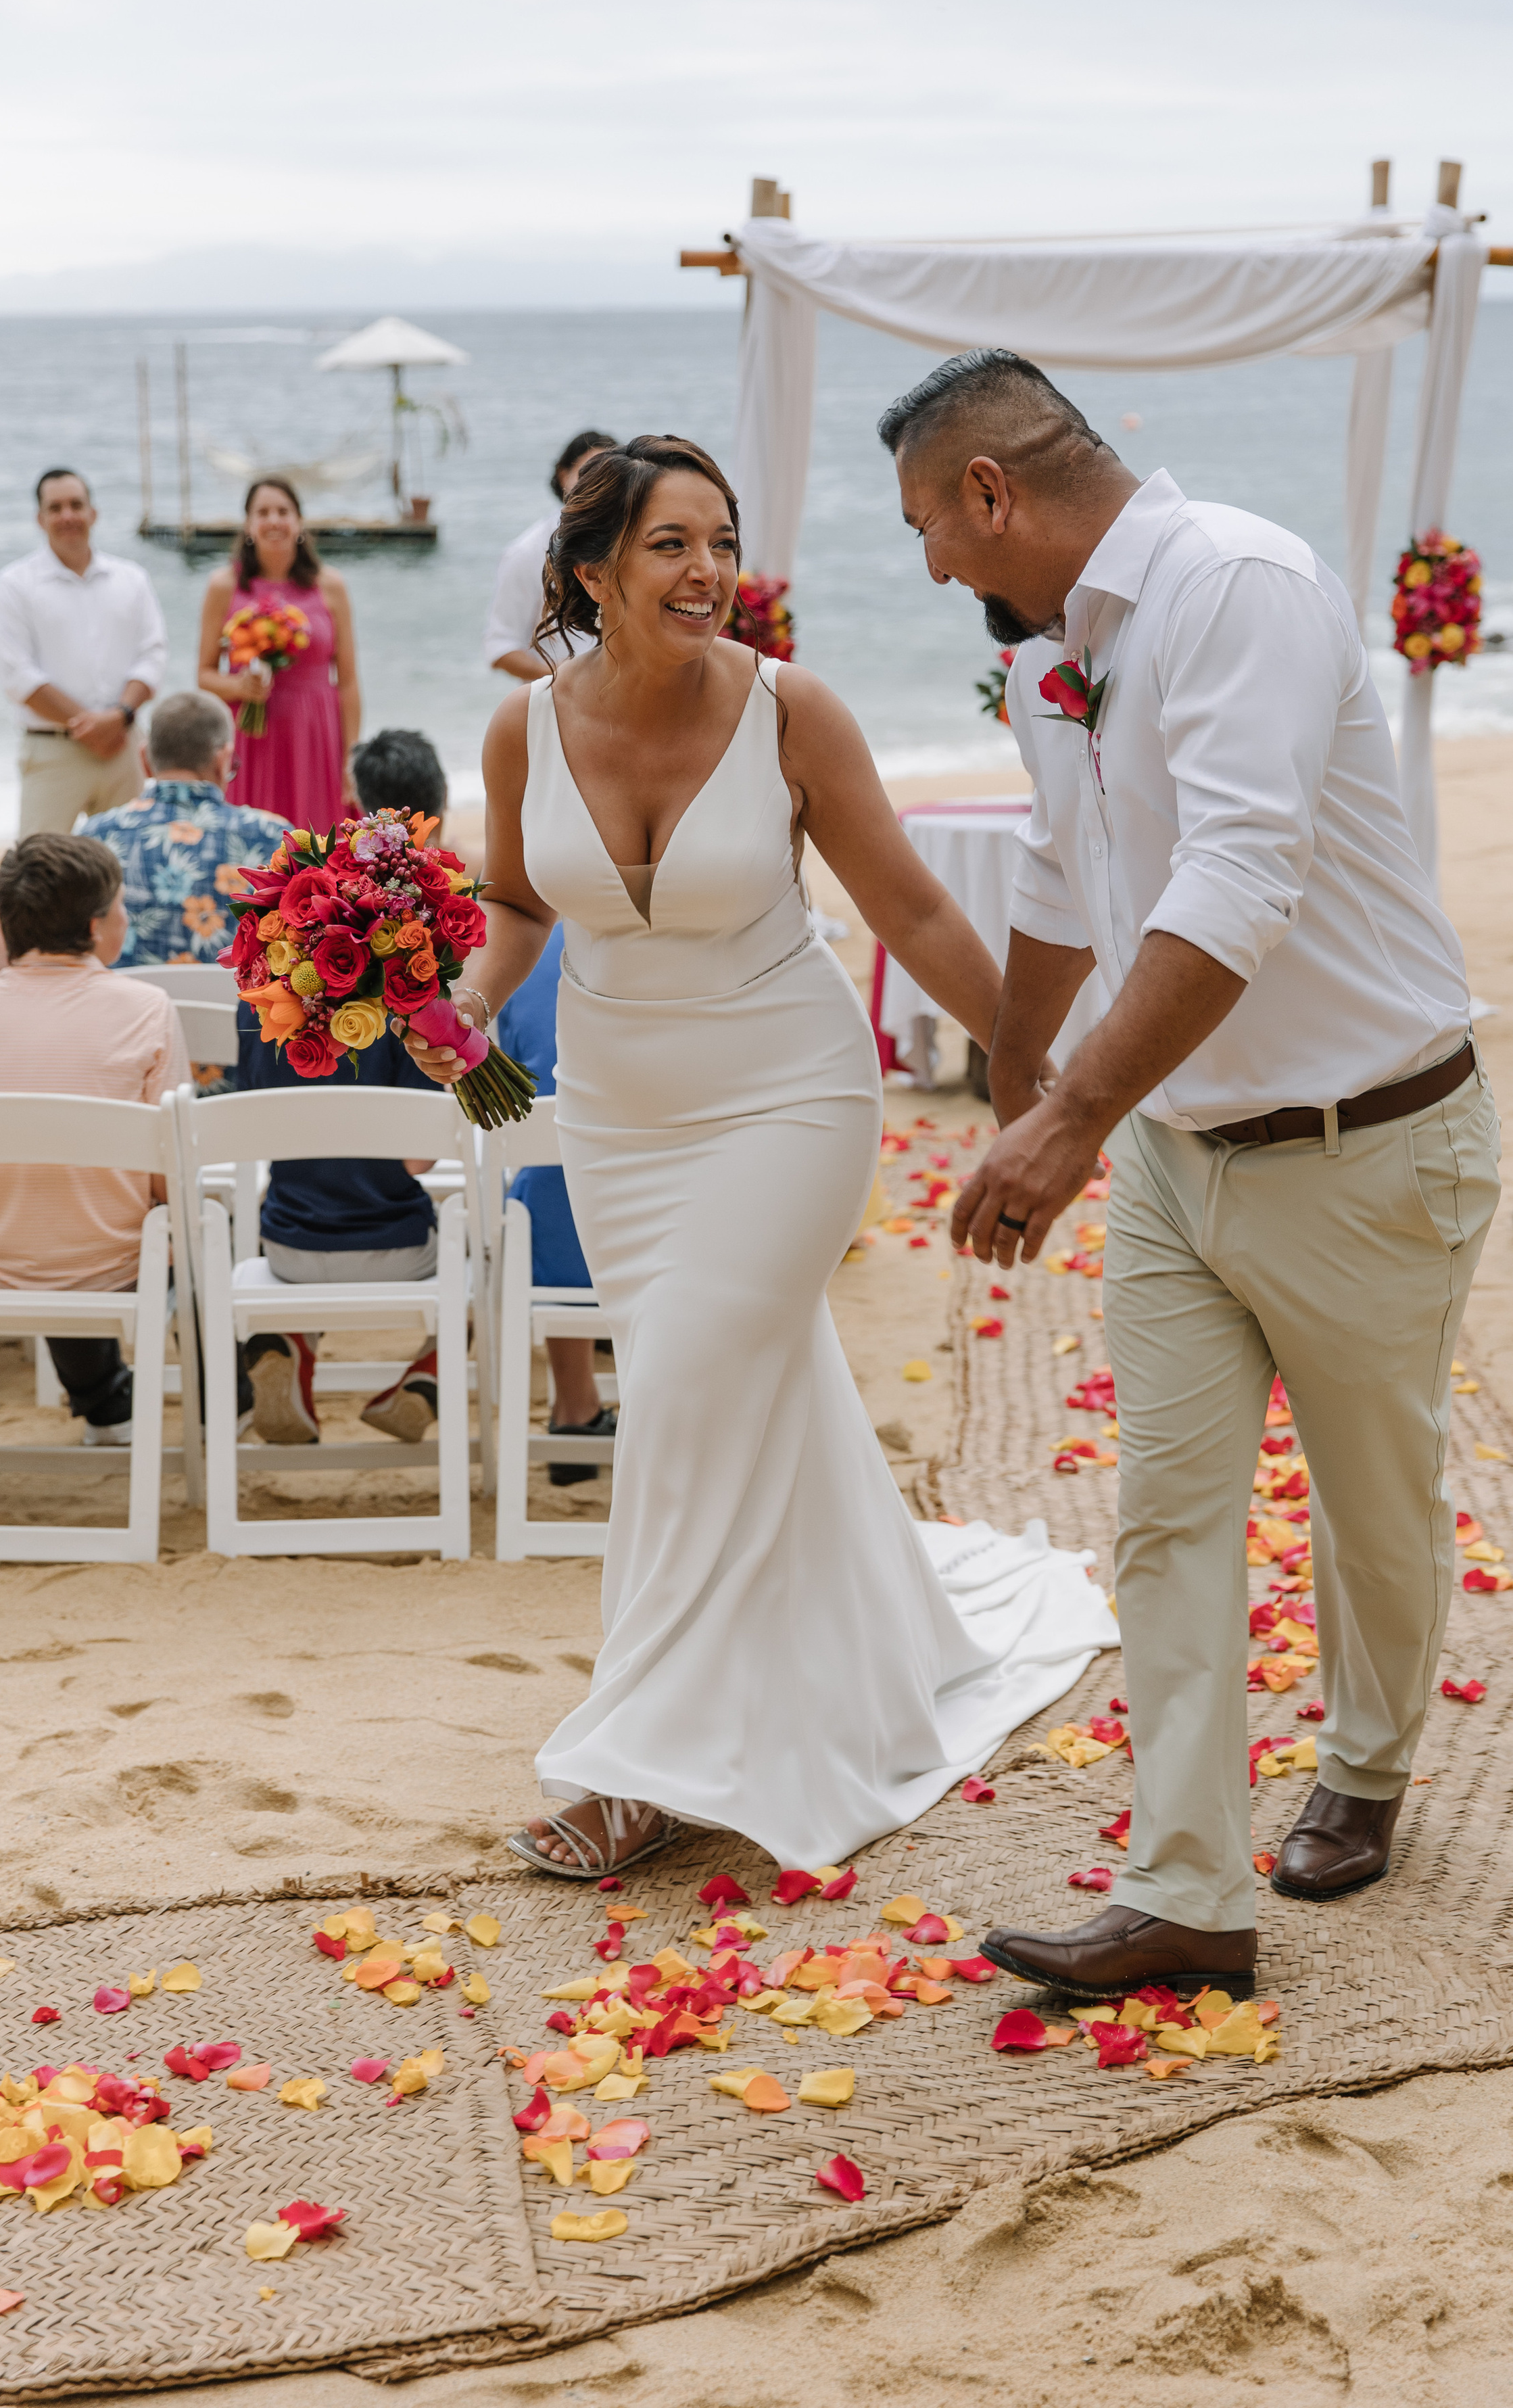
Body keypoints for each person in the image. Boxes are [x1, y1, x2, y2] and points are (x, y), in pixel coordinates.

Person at [873, 348, 1500, 2001]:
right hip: (1171, 1155)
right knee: (1164, 1512)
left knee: (1372, 1502)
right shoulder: (1048, 663)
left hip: (1363, 1140)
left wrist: (1068, 1115)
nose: (929, 561)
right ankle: (1183, 1889)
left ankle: (1363, 1761)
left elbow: (1241, 873)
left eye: (930, 522)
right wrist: (1016, 1084)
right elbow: (1056, 875)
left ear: (991, 491)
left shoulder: (1238, 585)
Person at [408, 432, 1115, 1877]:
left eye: (722, 541)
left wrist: (1036, 1082)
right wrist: (473, 1001)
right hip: (621, 1114)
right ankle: (848, 1649)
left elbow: (912, 914)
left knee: (674, 1385)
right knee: (733, 1388)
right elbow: (517, 908)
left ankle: (635, 1764)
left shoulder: (791, 712)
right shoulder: (519, 732)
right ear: (592, 569)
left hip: (788, 1094)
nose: (709, 571)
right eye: (673, 544)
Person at [230, 726, 452, 1446]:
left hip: (288, 1251)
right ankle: (430, 1374)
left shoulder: (268, 978)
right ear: (440, 804)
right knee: (496, 1241)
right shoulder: (422, 979)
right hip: (401, 1251)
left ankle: (290, 1345)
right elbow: (419, 1161)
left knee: (312, 1181)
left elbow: (255, 1125)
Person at [0, 834, 182, 1443]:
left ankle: (104, 1402)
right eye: (119, 906)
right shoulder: (148, 1009)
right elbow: (165, 1183)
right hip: (114, 1265)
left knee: (41, 1210)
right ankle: (231, 1400)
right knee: (186, 1227)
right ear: (97, 927)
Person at [491, 924, 614, 1481]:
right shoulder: (670, 944)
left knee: (546, 1180)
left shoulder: (526, 954)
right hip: (657, 1224)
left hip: (553, 1248)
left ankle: (574, 1407)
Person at [0, 468, 166, 836]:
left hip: (124, 747)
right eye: (56, 507)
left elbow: (153, 655)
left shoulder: (132, 579)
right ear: (41, 518)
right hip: (53, 753)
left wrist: (120, 717)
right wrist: (92, 725)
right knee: (40, 872)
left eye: (76, 505)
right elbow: (18, 675)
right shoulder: (13, 585)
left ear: (93, 513)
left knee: (128, 872)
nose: (67, 515)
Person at [75, 690, 289, 968]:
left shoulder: (93, 838)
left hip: (124, 1008)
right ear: (223, 761)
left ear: (145, 760)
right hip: (230, 1007)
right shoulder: (274, 838)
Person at [196, 477, 359, 834]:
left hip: (315, 732)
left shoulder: (330, 586)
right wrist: (240, 686)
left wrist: (351, 758)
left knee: (318, 843)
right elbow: (204, 676)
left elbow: (347, 683)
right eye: (263, 512)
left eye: (283, 511)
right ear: (249, 525)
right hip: (252, 735)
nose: (274, 521)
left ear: (299, 523)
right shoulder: (224, 586)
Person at [484, 430, 618, 682]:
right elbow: (501, 647)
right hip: (557, 704)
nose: (600, 486)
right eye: (589, 474)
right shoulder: (527, 552)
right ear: (563, 475)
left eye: (611, 477)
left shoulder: (635, 548)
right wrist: (562, 679)